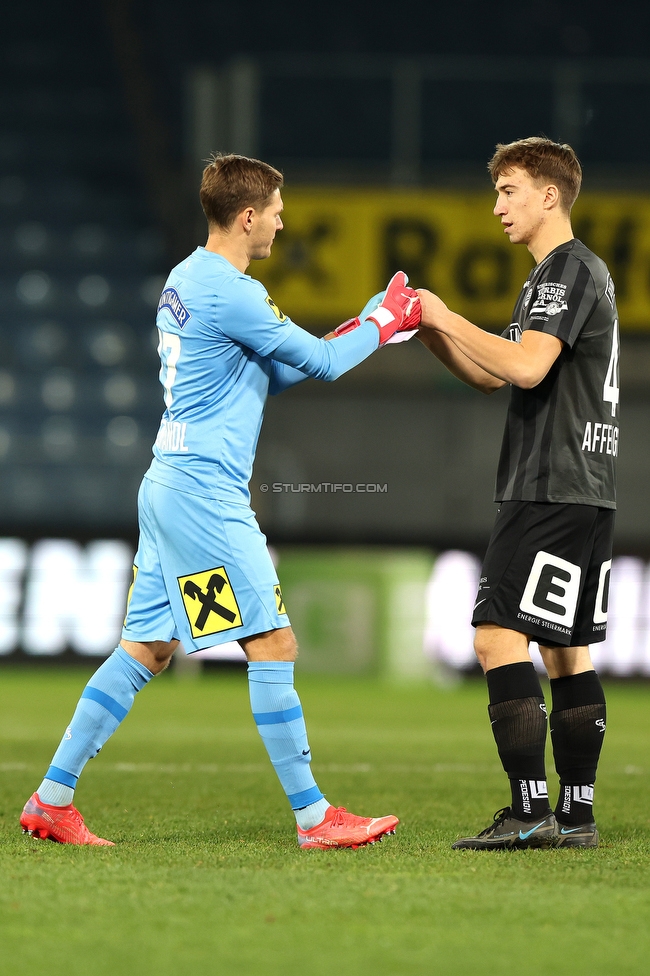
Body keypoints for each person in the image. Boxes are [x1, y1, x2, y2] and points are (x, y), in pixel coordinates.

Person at [20, 153, 420, 849]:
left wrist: (365, 323)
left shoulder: (187, 278)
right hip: (206, 496)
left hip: (168, 485)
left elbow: (270, 375)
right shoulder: (231, 291)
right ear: (247, 217)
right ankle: (314, 818)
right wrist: (385, 322)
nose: (282, 221)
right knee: (272, 641)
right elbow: (320, 366)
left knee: (147, 649)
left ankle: (52, 800)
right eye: (275, 211)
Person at [417, 137, 617, 849]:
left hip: (547, 487)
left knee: (497, 636)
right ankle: (578, 815)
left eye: (508, 190)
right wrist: (430, 330)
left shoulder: (563, 272)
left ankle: (529, 811)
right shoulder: (561, 277)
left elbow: (527, 370)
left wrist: (444, 315)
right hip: (587, 490)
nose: (497, 204)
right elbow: (492, 375)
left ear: (548, 196)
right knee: (567, 652)